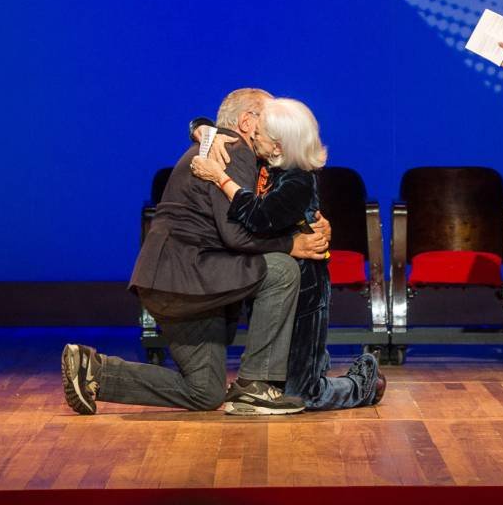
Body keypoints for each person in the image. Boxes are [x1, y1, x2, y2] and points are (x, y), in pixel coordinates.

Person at [61, 88, 331, 416]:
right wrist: (292, 245)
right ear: (248, 122)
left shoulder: (220, 146)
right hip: (190, 279)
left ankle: (95, 372)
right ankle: (256, 386)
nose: (273, 126)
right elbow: (238, 235)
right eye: (268, 116)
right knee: (281, 269)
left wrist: (306, 224)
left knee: (204, 391)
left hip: (170, 285)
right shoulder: (233, 150)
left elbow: (264, 211)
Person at [191, 98, 385, 410]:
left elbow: (258, 216)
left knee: (303, 392)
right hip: (277, 278)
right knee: (284, 377)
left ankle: (361, 384)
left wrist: (220, 178)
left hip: (305, 286)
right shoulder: (269, 163)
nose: (254, 135)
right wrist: (201, 129)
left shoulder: (298, 179)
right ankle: (312, 369)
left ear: (279, 146)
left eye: (262, 132)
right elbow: (212, 126)